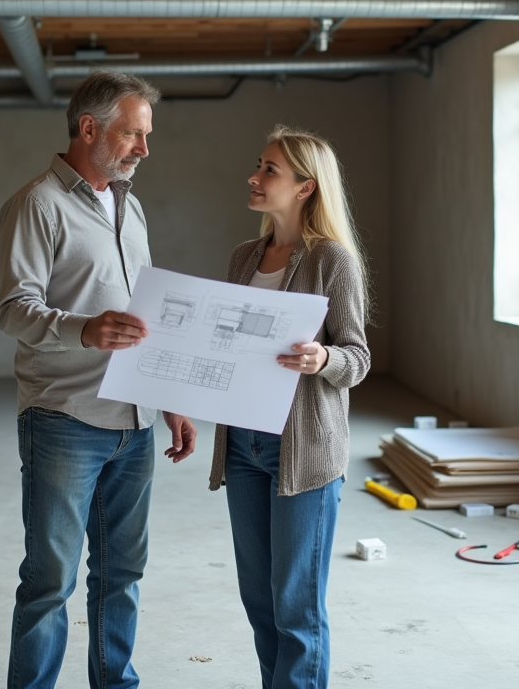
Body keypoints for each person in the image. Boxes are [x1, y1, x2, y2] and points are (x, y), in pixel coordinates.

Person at [0, 70, 197, 689]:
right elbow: (13, 309)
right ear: (90, 128)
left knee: (122, 574)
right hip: (65, 419)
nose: (143, 148)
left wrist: (170, 397)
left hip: (134, 422)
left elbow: (144, 317)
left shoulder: (128, 207)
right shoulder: (36, 205)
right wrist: (84, 330)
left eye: (145, 135)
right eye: (134, 134)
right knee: (50, 580)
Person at [208, 125, 372, 689]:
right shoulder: (242, 258)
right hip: (244, 446)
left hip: (303, 453)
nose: (254, 177)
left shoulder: (333, 261)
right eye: (259, 165)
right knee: (260, 602)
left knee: (296, 610)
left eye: (270, 170)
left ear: (306, 187)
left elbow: (358, 358)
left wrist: (322, 357)